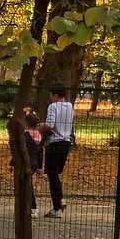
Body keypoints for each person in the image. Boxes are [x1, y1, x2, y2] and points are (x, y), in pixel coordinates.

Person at [41, 84, 75, 216]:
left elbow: (50, 124)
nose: (50, 97)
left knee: (52, 174)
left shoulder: (53, 106)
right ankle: (59, 201)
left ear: (55, 95)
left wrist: (40, 126)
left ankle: (57, 207)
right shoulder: (70, 106)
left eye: (51, 95)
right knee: (55, 174)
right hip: (66, 142)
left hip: (54, 142)